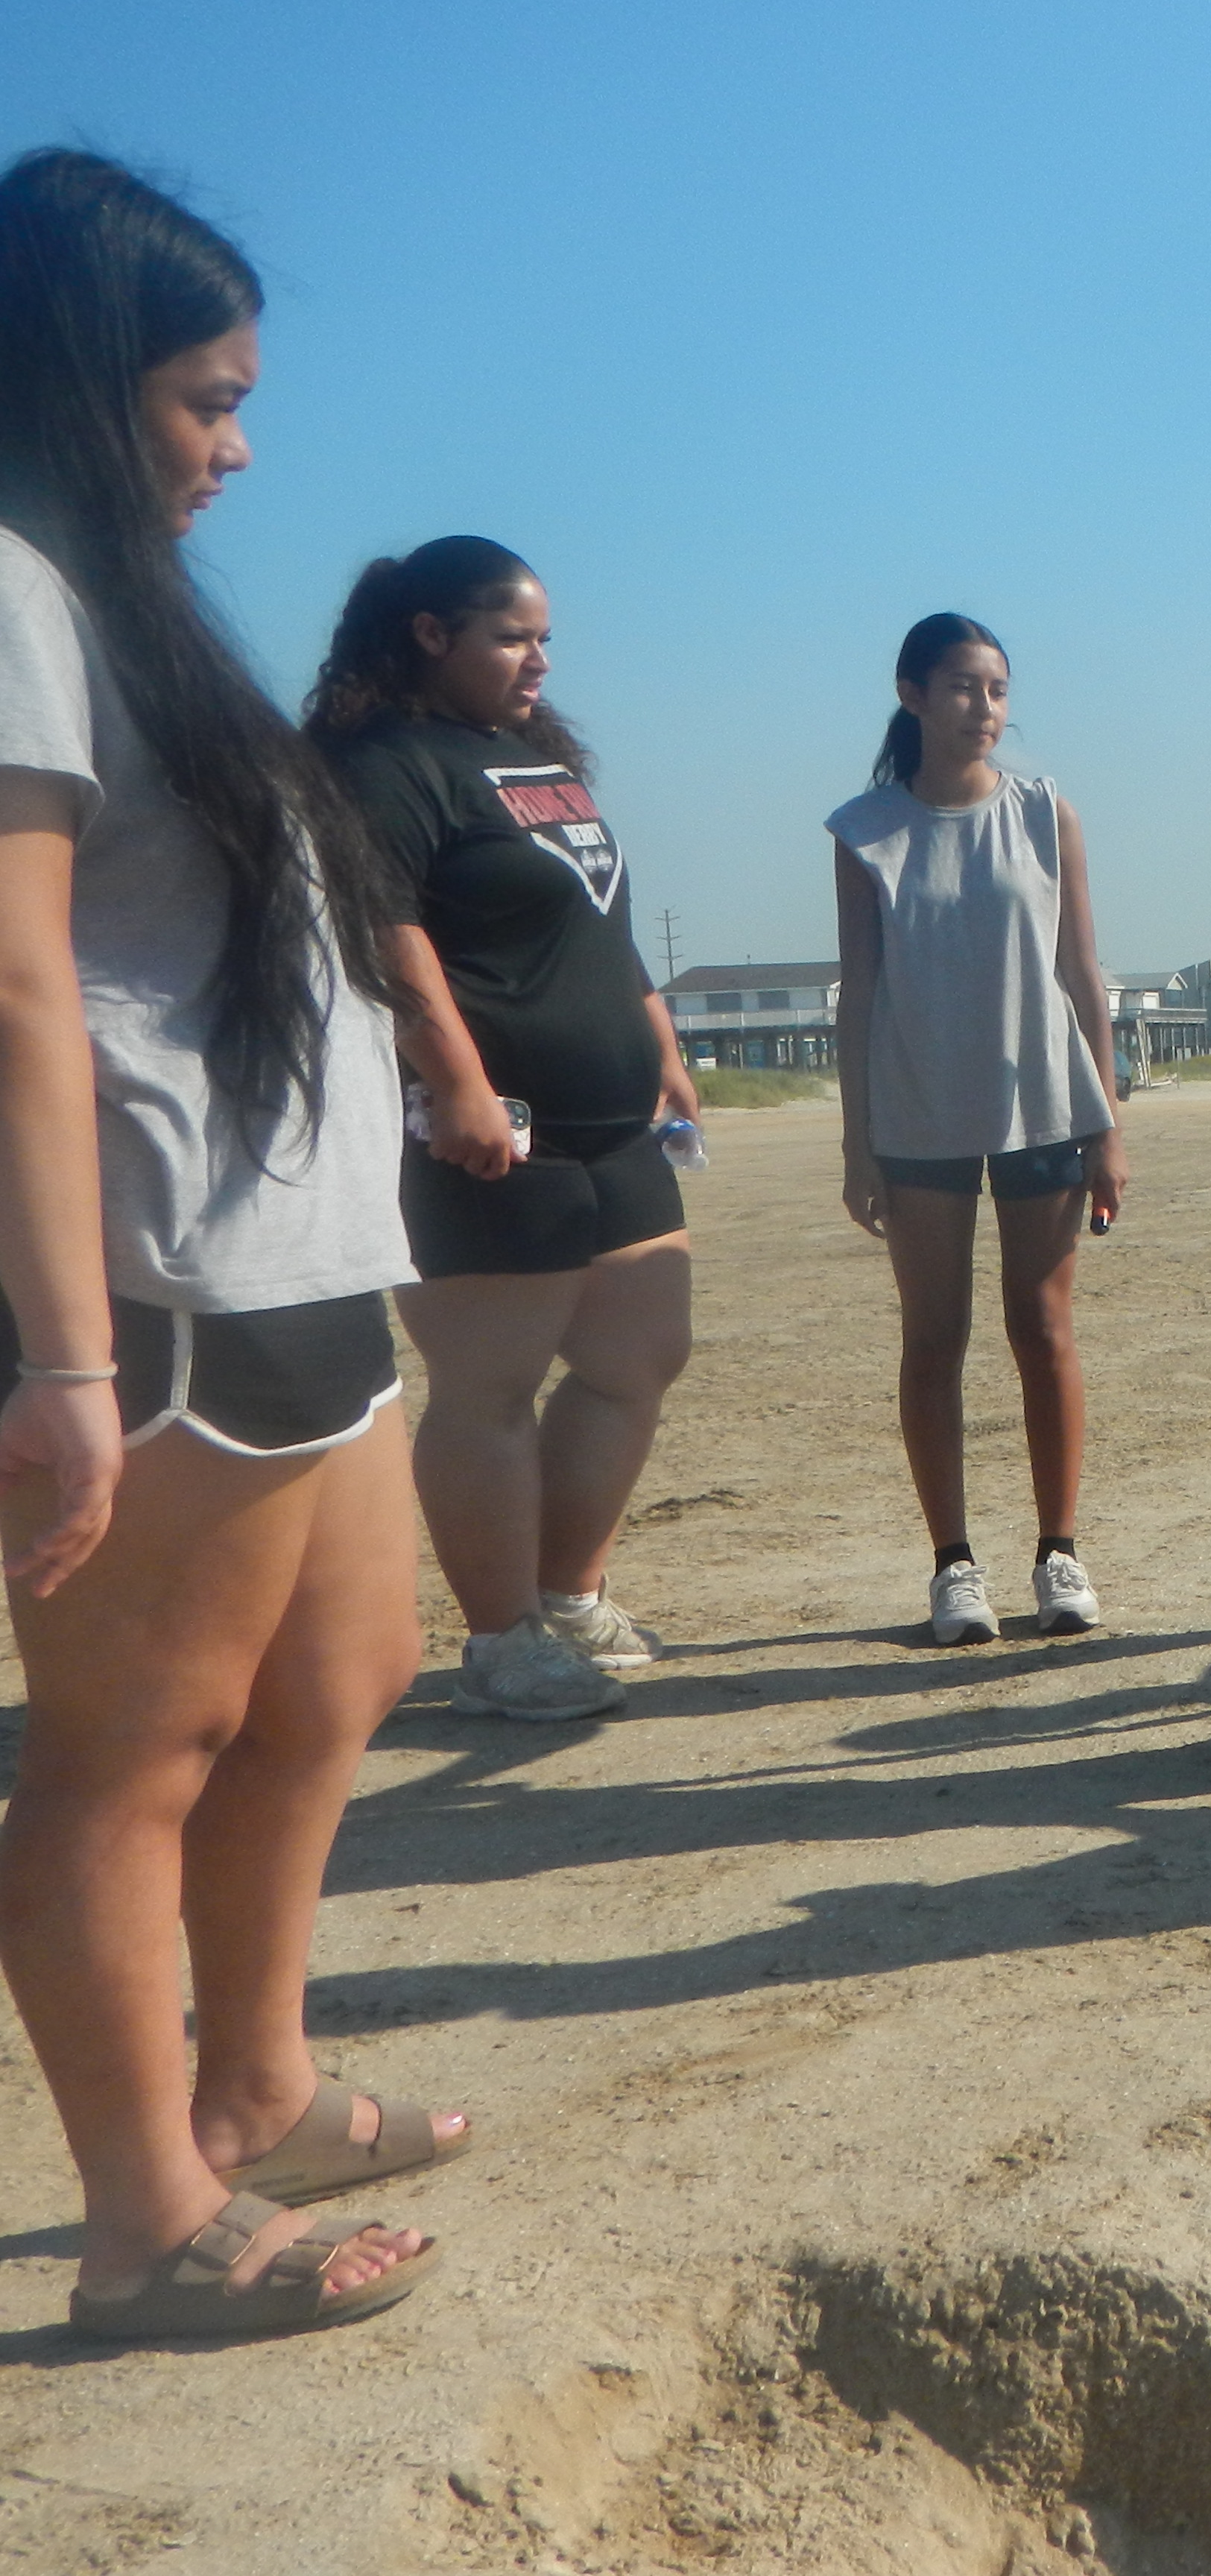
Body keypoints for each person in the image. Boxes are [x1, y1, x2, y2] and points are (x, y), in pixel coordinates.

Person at [0, 147, 454, 2340]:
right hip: (160, 1284)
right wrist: (64, 1363)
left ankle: (255, 2080)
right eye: (205, 398)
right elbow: (12, 986)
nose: (239, 444)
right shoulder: (7, 586)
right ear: (87, 386)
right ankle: (140, 2218)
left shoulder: (125, 606)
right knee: (128, 1750)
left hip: (300, 1262)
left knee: (342, 1674)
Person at [309, 538, 695, 1722]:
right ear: (432, 634)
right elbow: (389, 931)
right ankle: (500, 1638)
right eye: (514, 637)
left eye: (543, 640)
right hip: (485, 1131)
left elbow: (597, 916)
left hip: (612, 1123)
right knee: (490, 1387)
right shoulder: (384, 764)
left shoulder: (530, 758)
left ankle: (567, 1598)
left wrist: (663, 1045)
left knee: (637, 1359)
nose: (539, 662)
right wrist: (462, 1081)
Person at [828, 613, 1125, 1645]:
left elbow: (1084, 972)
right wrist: (855, 1141)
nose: (984, 708)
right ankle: (953, 1564)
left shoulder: (1046, 815)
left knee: (1041, 1330)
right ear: (911, 693)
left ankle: (1060, 1553)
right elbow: (858, 991)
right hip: (918, 1115)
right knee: (934, 1338)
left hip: (1044, 1100)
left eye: (997, 689)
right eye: (962, 687)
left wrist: (1108, 1124)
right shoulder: (865, 830)